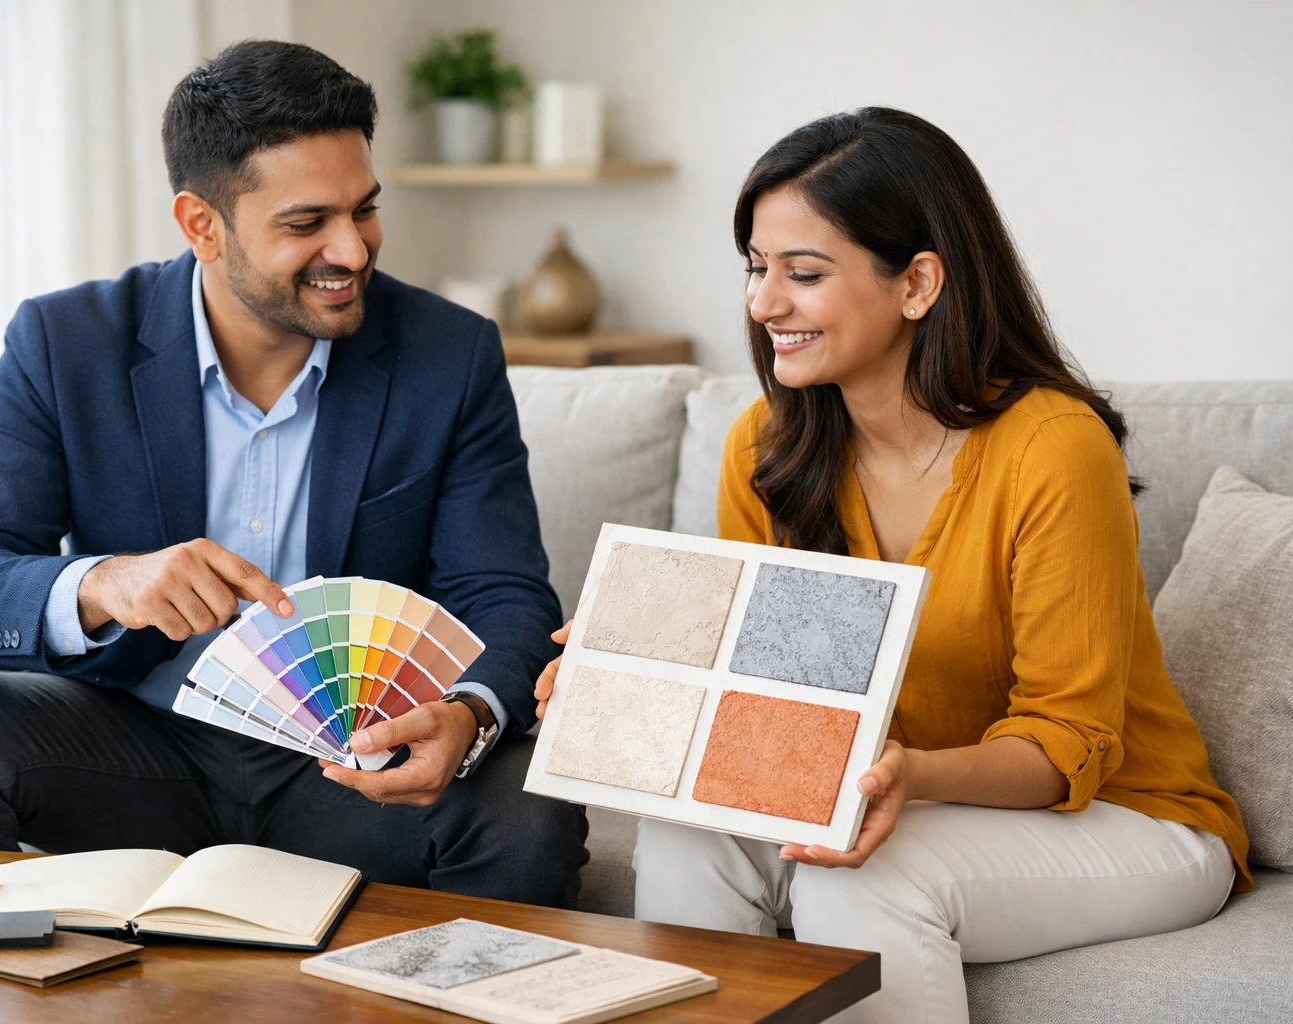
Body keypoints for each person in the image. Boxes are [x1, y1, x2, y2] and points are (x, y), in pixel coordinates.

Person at [532, 108, 1250, 1019]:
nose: (762, 305)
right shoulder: (766, 446)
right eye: (757, 269)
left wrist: (912, 774)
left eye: (804, 273)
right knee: (684, 838)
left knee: (857, 879)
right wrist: (631, 683)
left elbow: (1070, 742)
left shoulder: (1054, 450)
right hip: (890, 795)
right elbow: (764, 701)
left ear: (917, 283)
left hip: (1131, 814)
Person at [0, 40, 587, 909]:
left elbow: (506, 595)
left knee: (527, 807)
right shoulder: (65, 343)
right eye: (306, 222)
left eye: (364, 210)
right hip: (135, 747)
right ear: (202, 226)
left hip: (353, 764)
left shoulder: (449, 354)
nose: (352, 250)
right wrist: (105, 583)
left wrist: (465, 717)